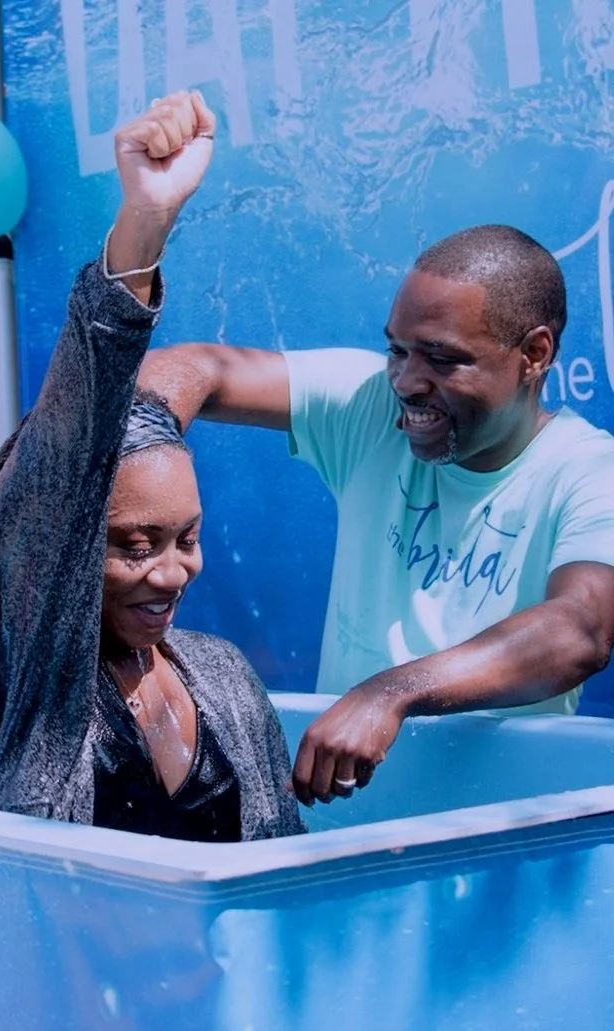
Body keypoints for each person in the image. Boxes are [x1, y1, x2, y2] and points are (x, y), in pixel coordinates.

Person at [0, 92, 302, 843]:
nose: (172, 572)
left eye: (186, 538)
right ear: (58, 547)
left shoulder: (222, 676)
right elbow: (69, 435)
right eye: (134, 545)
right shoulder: (10, 669)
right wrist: (145, 224)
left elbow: (280, 863)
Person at [142, 225, 614, 808]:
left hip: (499, 834)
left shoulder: (589, 471)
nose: (407, 382)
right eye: (397, 350)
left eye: (442, 358)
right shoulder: (368, 405)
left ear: (534, 355)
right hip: (339, 820)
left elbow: (581, 629)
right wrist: (137, 447)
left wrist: (391, 694)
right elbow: (199, 370)